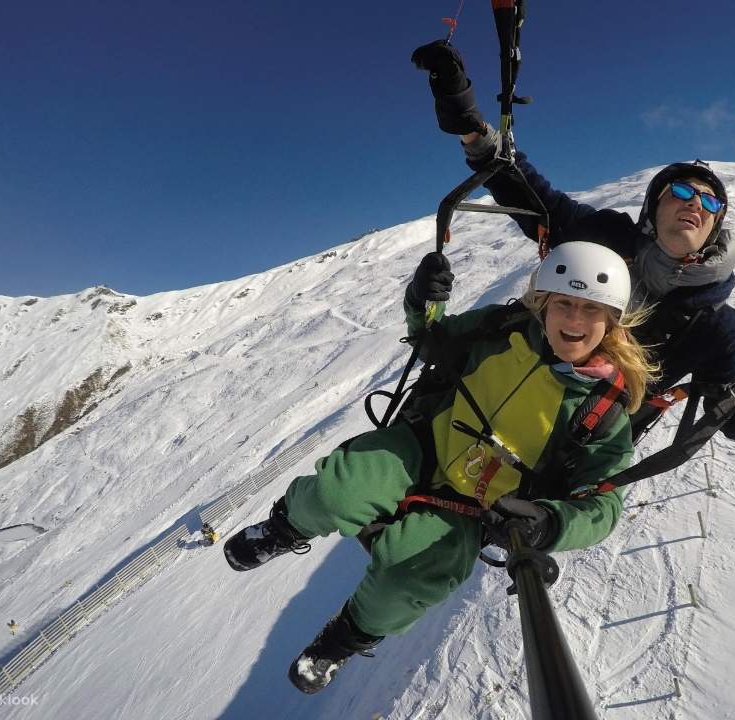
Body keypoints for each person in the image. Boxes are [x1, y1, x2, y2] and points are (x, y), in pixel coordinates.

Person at [223, 240, 657, 694]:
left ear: (611, 322)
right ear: (542, 303)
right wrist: (422, 300)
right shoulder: (501, 330)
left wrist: (551, 523)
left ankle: (347, 636)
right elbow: (433, 339)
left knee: (414, 577)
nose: (574, 319)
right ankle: (285, 528)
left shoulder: (603, 410)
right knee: (338, 491)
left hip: (480, 504)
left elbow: (602, 504)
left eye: (591, 309)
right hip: (427, 443)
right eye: (564, 303)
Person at [410, 40, 735, 467]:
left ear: (716, 225)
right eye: (680, 192)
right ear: (652, 209)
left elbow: (731, 405)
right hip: (491, 385)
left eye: (709, 201)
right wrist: (470, 124)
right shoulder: (603, 235)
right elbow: (529, 195)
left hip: (565, 450)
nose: (694, 203)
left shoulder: (712, 326)